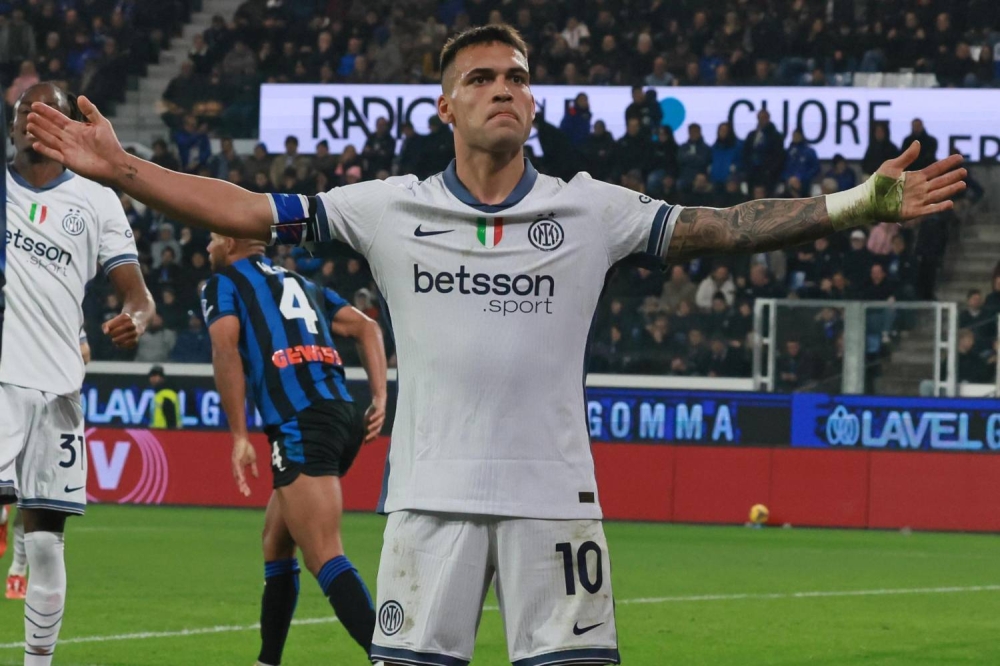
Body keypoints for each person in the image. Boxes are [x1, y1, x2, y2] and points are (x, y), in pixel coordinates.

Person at [27, 24, 966, 666]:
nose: (503, 88)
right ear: (445, 107)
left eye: (516, 76)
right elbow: (244, 210)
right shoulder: (389, 207)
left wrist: (856, 203)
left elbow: (724, 226)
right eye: (480, 78)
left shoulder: (590, 208)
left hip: (555, 505)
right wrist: (123, 170)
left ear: (534, 102)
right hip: (427, 508)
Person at [1, 83, 153, 665]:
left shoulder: (97, 200)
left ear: (67, 128)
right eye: (23, 113)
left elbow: (139, 297)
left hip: (60, 390)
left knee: (45, 543)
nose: (30, 121)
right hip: (2, 381)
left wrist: (135, 319)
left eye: (45, 113)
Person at [203, 233, 386, 665]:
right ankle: (267, 661)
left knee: (323, 553)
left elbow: (225, 350)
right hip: (341, 415)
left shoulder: (224, 283)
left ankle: (387, 657)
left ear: (229, 240)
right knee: (276, 541)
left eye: (211, 238)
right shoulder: (301, 283)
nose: (208, 247)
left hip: (303, 420)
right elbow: (367, 327)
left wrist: (240, 436)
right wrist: (379, 396)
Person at [4, 333, 90, 601]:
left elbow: (84, 351)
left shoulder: (60, 314)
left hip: (46, 412)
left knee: (33, 501)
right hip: (7, 404)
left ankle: (17, 571)